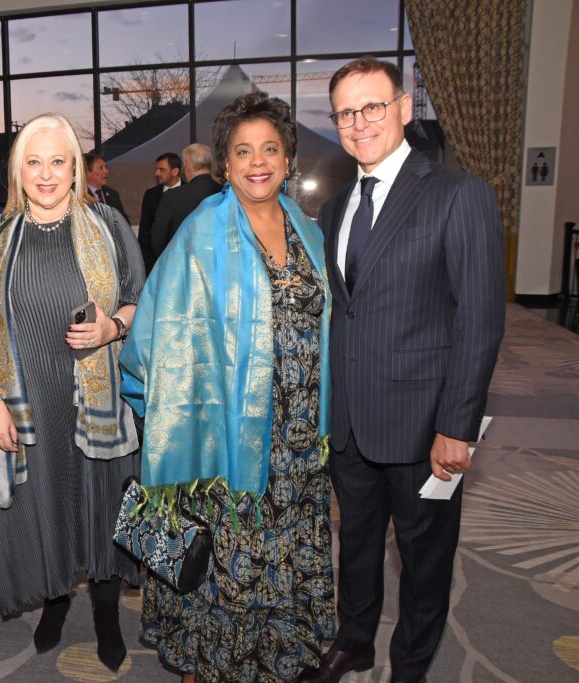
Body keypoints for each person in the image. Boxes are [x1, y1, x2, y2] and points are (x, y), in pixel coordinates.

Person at [298, 58, 504, 683]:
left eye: (372, 107)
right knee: (356, 544)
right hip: (350, 423)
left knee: (424, 557)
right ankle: (355, 640)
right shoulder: (334, 208)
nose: (359, 123)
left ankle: (411, 665)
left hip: (423, 426)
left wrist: (457, 426)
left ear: (405, 108)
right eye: (346, 113)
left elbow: (480, 320)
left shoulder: (458, 193)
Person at [120, 91, 335, 682]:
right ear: (225, 163)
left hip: (298, 442)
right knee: (231, 561)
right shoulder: (203, 232)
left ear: (288, 159)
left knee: (286, 553)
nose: (257, 161)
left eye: (270, 149)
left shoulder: (308, 232)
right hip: (227, 440)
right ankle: (207, 665)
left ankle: (272, 663)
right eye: (243, 151)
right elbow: (158, 329)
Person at [0, 113, 145, 672]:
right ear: (18, 171)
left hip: (97, 401)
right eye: (34, 162)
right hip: (29, 403)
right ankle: (55, 599)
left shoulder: (108, 225)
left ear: (75, 169)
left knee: (101, 507)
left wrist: (110, 328)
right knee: (47, 504)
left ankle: (107, 615)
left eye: (58, 162)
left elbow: (138, 299)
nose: (46, 174)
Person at [149, 143, 222, 259]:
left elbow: (157, 240)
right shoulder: (224, 192)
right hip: (218, 263)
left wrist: (171, 262)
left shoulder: (172, 196)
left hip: (182, 264)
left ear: (188, 165)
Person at [137, 152, 182, 274]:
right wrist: (149, 263)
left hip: (183, 262)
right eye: (156, 169)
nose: (157, 173)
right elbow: (144, 232)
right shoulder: (150, 195)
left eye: (162, 170)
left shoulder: (190, 191)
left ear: (175, 171)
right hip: (155, 264)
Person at [85, 152, 131, 224]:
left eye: (106, 167)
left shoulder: (113, 195)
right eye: (101, 168)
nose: (106, 171)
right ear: (88, 172)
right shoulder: (79, 195)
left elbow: (124, 222)